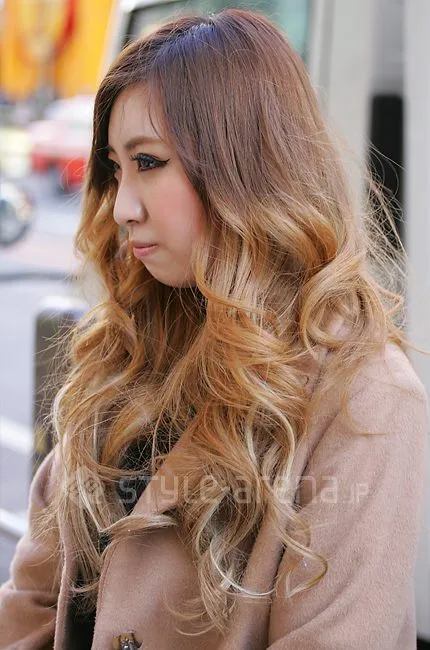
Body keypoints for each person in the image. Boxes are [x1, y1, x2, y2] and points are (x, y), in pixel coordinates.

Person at [0, 8, 428, 650]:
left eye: (149, 162)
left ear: (245, 167)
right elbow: (32, 599)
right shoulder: (129, 345)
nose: (123, 206)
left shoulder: (365, 397)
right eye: (115, 169)